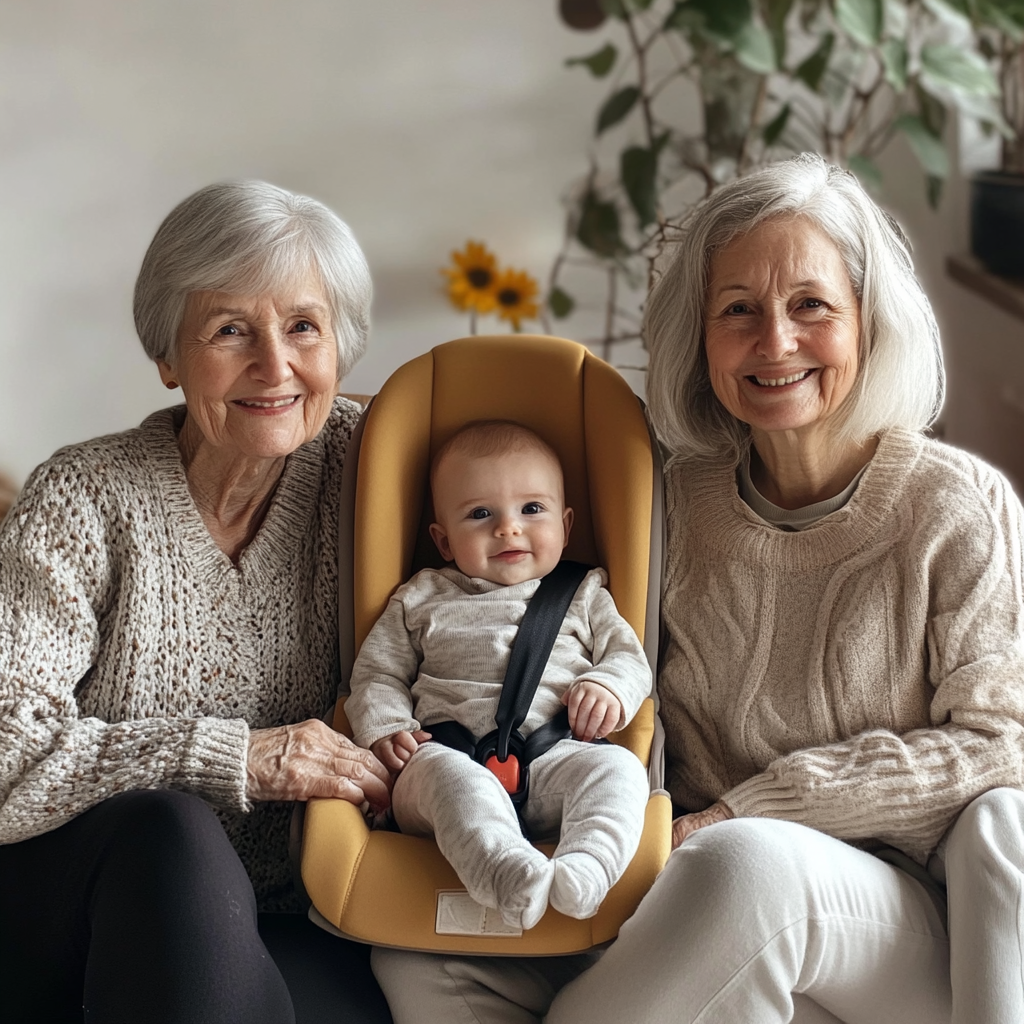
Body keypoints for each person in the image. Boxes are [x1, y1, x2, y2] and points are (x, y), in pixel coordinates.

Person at [372, 154, 1024, 1024]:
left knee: (747, 865)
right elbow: (596, 674)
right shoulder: (670, 496)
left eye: (812, 306)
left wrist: (750, 807)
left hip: (896, 914)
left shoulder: (954, 506)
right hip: (681, 874)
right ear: (701, 336)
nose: (775, 341)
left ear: (868, 320)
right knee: (425, 956)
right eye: (738, 311)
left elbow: (1001, 745)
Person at [0, 180, 395, 1024]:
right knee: (173, 833)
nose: (275, 365)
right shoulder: (85, 497)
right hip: (67, 915)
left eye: (303, 327)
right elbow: (5, 750)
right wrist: (235, 757)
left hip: (288, 917)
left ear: (341, 346)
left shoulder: (379, 470)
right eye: (229, 331)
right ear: (169, 357)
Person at [346, 420, 651, 931]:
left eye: (532, 509)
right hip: (443, 760)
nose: (508, 527)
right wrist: (384, 725)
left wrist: (608, 686)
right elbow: (377, 673)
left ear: (566, 525)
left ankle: (590, 865)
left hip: (557, 756)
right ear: (443, 541)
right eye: (480, 514)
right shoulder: (420, 596)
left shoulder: (584, 593)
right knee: (448, 779)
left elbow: (629, 659)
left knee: (621, 772)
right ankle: (502, 869)